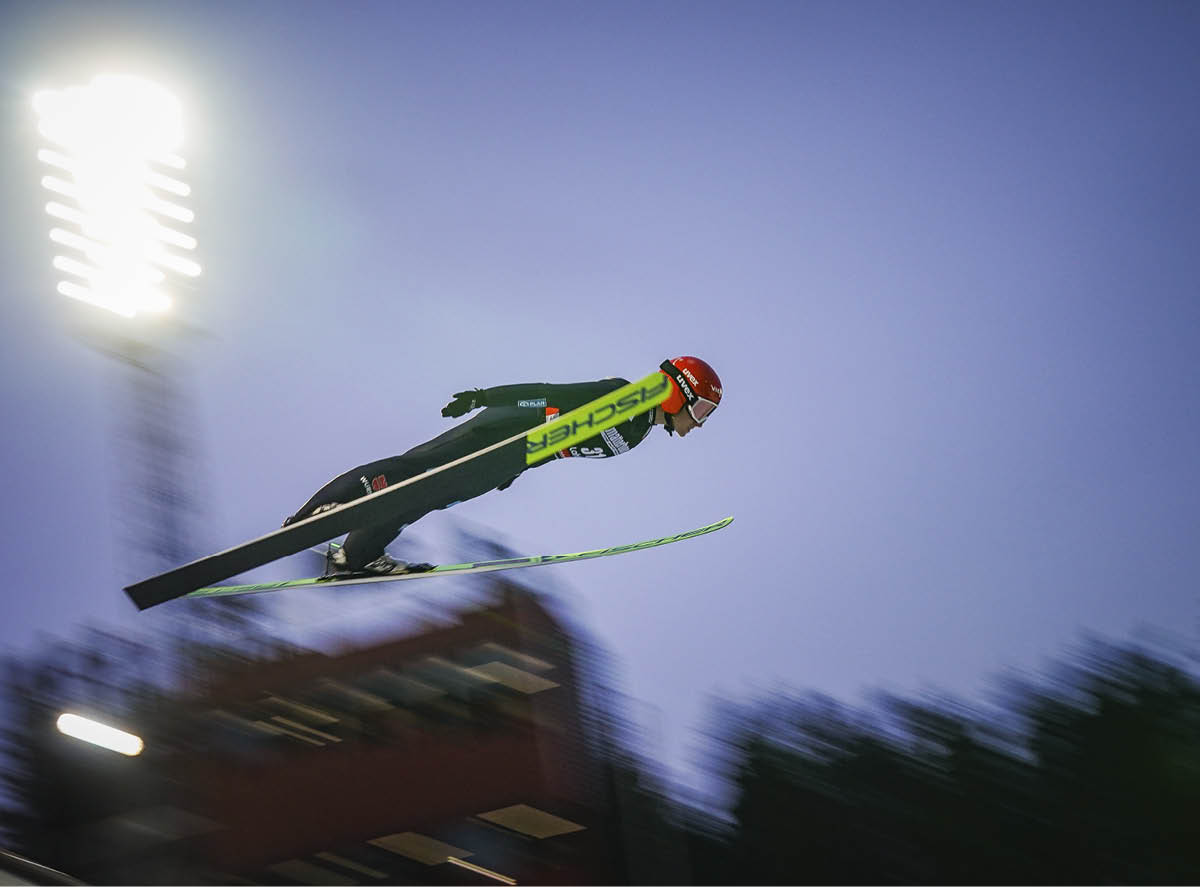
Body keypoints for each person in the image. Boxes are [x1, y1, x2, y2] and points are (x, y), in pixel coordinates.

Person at [284, 356, 724, 576]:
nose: (698, 423)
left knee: (421, 495)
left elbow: (563, 439)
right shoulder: (630, 397)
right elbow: (553, 395)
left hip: (509, 456)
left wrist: (515, 468)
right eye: (701, 408)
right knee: (413, 472)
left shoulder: (638, 430)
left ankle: (354, 556)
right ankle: (318, 513)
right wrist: (485, 398)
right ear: (678, 391)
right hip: (501, 432)